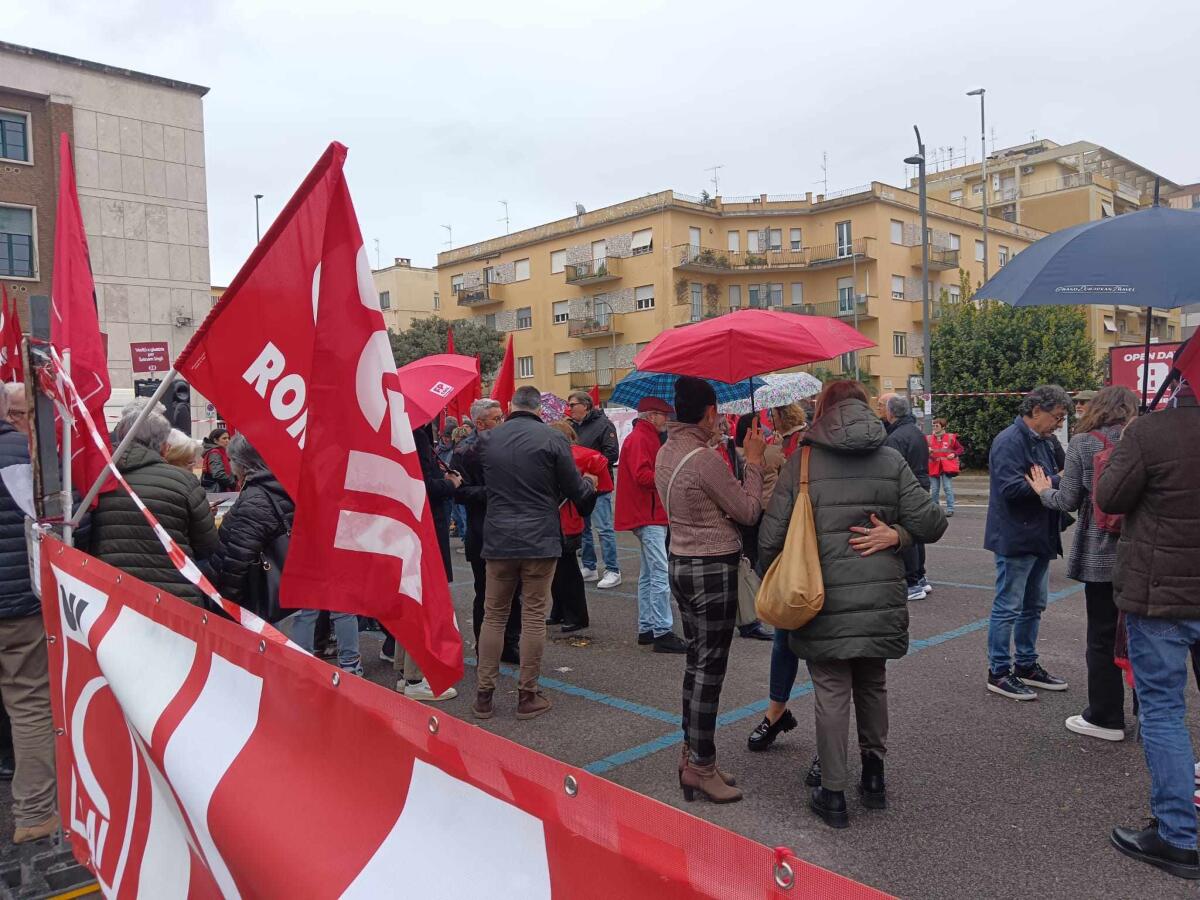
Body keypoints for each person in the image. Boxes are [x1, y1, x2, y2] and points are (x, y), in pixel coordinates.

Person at [759, 379, 946, 829]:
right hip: (879, 598)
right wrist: (897, 535)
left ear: (823, 409)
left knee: (831, 692)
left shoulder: (803, 460)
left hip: (821, 598)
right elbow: (933, 523)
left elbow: (770, 538)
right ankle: (875, 779)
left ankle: (834, 794)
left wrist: (775, 569)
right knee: (872, 684)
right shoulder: (890, 458)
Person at [1097, 380, 1200, 880]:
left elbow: (1109, 496)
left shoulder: (1152, 432)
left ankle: (1178, 836)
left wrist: (1131, 441)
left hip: (1161, 598)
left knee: (1162, 713)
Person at [656, 376, 765, 804]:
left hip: (681, 562)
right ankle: (701, 766)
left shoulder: (668, 450)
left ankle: (694, 755)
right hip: (711, 567)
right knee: (710, 669)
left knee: (695, 664)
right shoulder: (703, 459)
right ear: (709, 412)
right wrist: (752, 462)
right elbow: (748, 511)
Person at [474, 386, 597, 721]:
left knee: (494, 615)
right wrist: (589, 486)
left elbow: (474, 474)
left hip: (498, 538)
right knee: (532, 616)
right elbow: (575, 490)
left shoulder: (488, 440)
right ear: (539, 408)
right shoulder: (553, 439)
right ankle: (527, 694)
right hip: (539, 538)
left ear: (512, 406)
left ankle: (484, 695)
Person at [1027, 386, 1137, 742]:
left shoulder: (1084, 442)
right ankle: (1149, 717)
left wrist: (1043, 490)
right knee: (1143, 638)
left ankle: (1105, 717)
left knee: (1102, 636)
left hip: (1100, 552)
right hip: (1140, 551)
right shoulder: (1141, 438)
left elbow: (1068, 498)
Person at [210, 436, 364, 678]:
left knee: (305, 613)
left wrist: (225, 604)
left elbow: (236, 559)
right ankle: (350, 666)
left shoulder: (259, 494)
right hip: (326, 549)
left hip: (291, 567)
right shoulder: (301, 475)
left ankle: (302, 670)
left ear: (243, 463)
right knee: (339, 609)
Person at [0, 385, 62, 843]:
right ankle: (36, 813)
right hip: (17, 604)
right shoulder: (23, 452)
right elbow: (57, 517)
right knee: (29, 703)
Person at [983, 385, 1073, 701]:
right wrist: (1050, 483)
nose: (1059, 424)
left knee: (1033, 605)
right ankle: (998, 671)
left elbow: (1067, 473)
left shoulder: (1045, 441)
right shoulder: (1009, 441)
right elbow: (1010, 489)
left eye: (1062, 418)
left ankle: (1026, 665)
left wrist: (1047, 483)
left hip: (1040, 534)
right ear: (1036, 411)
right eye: (1057, 417)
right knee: (1008, 605)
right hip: (1016, 535)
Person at [89, 407, 219, 605]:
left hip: (112, 596)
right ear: (165, 447)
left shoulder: (96, 479)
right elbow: (208, 545)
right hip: (175, 598)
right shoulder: (184, 482)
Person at [381, 422, 460, 701]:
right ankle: (415, 678)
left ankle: (405, 673)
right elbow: (419, 485)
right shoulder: (414, 435)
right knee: (423, 598)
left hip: (406, 526)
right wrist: (448, 483)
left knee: (411, 597)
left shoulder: (396, 429)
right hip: (420, 525)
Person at [613, 397, 686, 653]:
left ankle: (647, 628)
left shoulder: (641, 437)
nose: (667, 420)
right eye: (664, 415)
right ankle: (662, 631)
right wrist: (669, 473)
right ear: (652, 416)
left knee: (648, 574)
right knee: (658, 573)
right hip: (649, 514)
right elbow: (643, 477)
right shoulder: (642, 439)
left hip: (646, 513)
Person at [451, 399, 521, 665]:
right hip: (483, 531)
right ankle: (485, 646)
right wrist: (493, 492)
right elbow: (459, 493)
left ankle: (510, 642)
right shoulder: (465, 451)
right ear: (480, 423)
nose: (502, 422)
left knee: (516, 590)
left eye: (503, 416)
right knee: (486, 593)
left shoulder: (511, 444)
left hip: (513, 529)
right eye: (496, 418)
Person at [548, 419, 609, 632]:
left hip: (567, 520)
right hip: (562, 519)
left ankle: (576, 615)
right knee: (558, 570)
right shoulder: (571, 457)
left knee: (568, 571)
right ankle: (559, 611)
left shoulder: (570, 458)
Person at [880, 394, 932, 601]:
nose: (880, 410)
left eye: (882, 406)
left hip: (906, 488)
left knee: (906, 534)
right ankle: (920, 577)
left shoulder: (896, 437)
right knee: (917, 533)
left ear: (891, 412)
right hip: (920, 484)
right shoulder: (914, 431)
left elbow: (891, 468)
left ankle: (912, 582)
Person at [567, 391, 621, 588]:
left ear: (586, 406)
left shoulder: (604, 425)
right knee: (584, 529)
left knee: (604, 529)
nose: (569, 408)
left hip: (599, 485)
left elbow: (612, 454)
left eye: (573, 404)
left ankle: (613, 570)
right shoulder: (571, 426)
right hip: (579, 486)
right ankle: (589, 566)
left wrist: (590, 466)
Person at [927, 418, 964, 517]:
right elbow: (922, 449)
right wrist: (927, 450)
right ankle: (935, 509)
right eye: (933, 426)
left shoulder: (950, 437)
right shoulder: (929, 438)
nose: (934, 428)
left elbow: (960, 449)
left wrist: (954, 454)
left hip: (945, 467)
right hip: (934, 466)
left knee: (947, 488)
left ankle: (950, 509)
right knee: (934, 489)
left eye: (937, 426)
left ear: (943, 427)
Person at [200, 428, 237, 493]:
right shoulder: (214, 453)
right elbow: (218, 474)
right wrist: (233, 483)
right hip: (217, 490)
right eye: (224, 438)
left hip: (221, 488)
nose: (227, 440)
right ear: (215, 440)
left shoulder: (222, 451)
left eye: (228, 438)